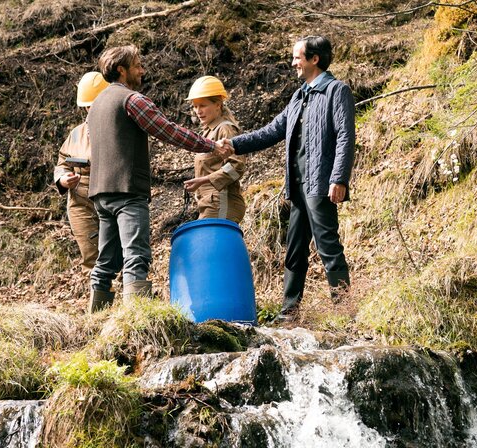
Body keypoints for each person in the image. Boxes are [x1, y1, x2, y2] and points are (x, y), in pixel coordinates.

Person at [86, 45, 232, 313]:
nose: (142, 70)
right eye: (137, 65)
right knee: (136, 256)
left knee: (105, 262)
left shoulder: (95, 105)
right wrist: (210, 146)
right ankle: (136, 321)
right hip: (128, 191)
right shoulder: (132, 100)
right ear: (122, 70)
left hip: (100, 193)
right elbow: (168, 131)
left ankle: (95, 321)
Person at [222, 36, 355, 322]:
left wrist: (339, 178)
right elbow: (271, 131)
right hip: (297, 187)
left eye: (297, 57)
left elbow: (345, 137)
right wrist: (234, 144)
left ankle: (345, 312)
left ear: (314, 59)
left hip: (321, 184)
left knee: (328, 246)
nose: (293, 62)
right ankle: (288, 312)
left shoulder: (337, 91)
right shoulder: (299, 96)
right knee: (294, 250)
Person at [53, 72, 109, 276]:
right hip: (79, 202)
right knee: (90, 256)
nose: (90, 110)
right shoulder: (76, 133)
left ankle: (121, 301)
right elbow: (62, 162)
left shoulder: (120, 130)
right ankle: (99, 303)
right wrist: (63, 179)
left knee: (113, 254)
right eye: (87, 106)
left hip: (110, 200)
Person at [183, 76, 247, 223]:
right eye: (195, 106)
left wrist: (204, 180)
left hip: (222, 202)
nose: (198, 111)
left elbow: (237, 166)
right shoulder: (209, 132)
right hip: (210, 204)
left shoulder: (226, 129)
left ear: (218, 105)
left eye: (202, 105)